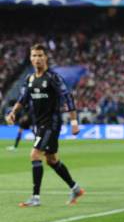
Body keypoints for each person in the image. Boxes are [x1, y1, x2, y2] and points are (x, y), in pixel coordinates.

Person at [5, 44, 84, 207]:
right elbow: (23, 98)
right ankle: (75, 188)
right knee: (52, 160)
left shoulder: (53, 78)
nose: (37, 59)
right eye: (34, 56)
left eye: (40, 55)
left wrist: (74, 122)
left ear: (45, 58)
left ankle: (35, 198)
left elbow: (68, 97)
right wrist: (13, 112)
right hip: (38, 124)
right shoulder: (30, 79)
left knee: (35, 155)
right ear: (30, 58)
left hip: (51, 124)